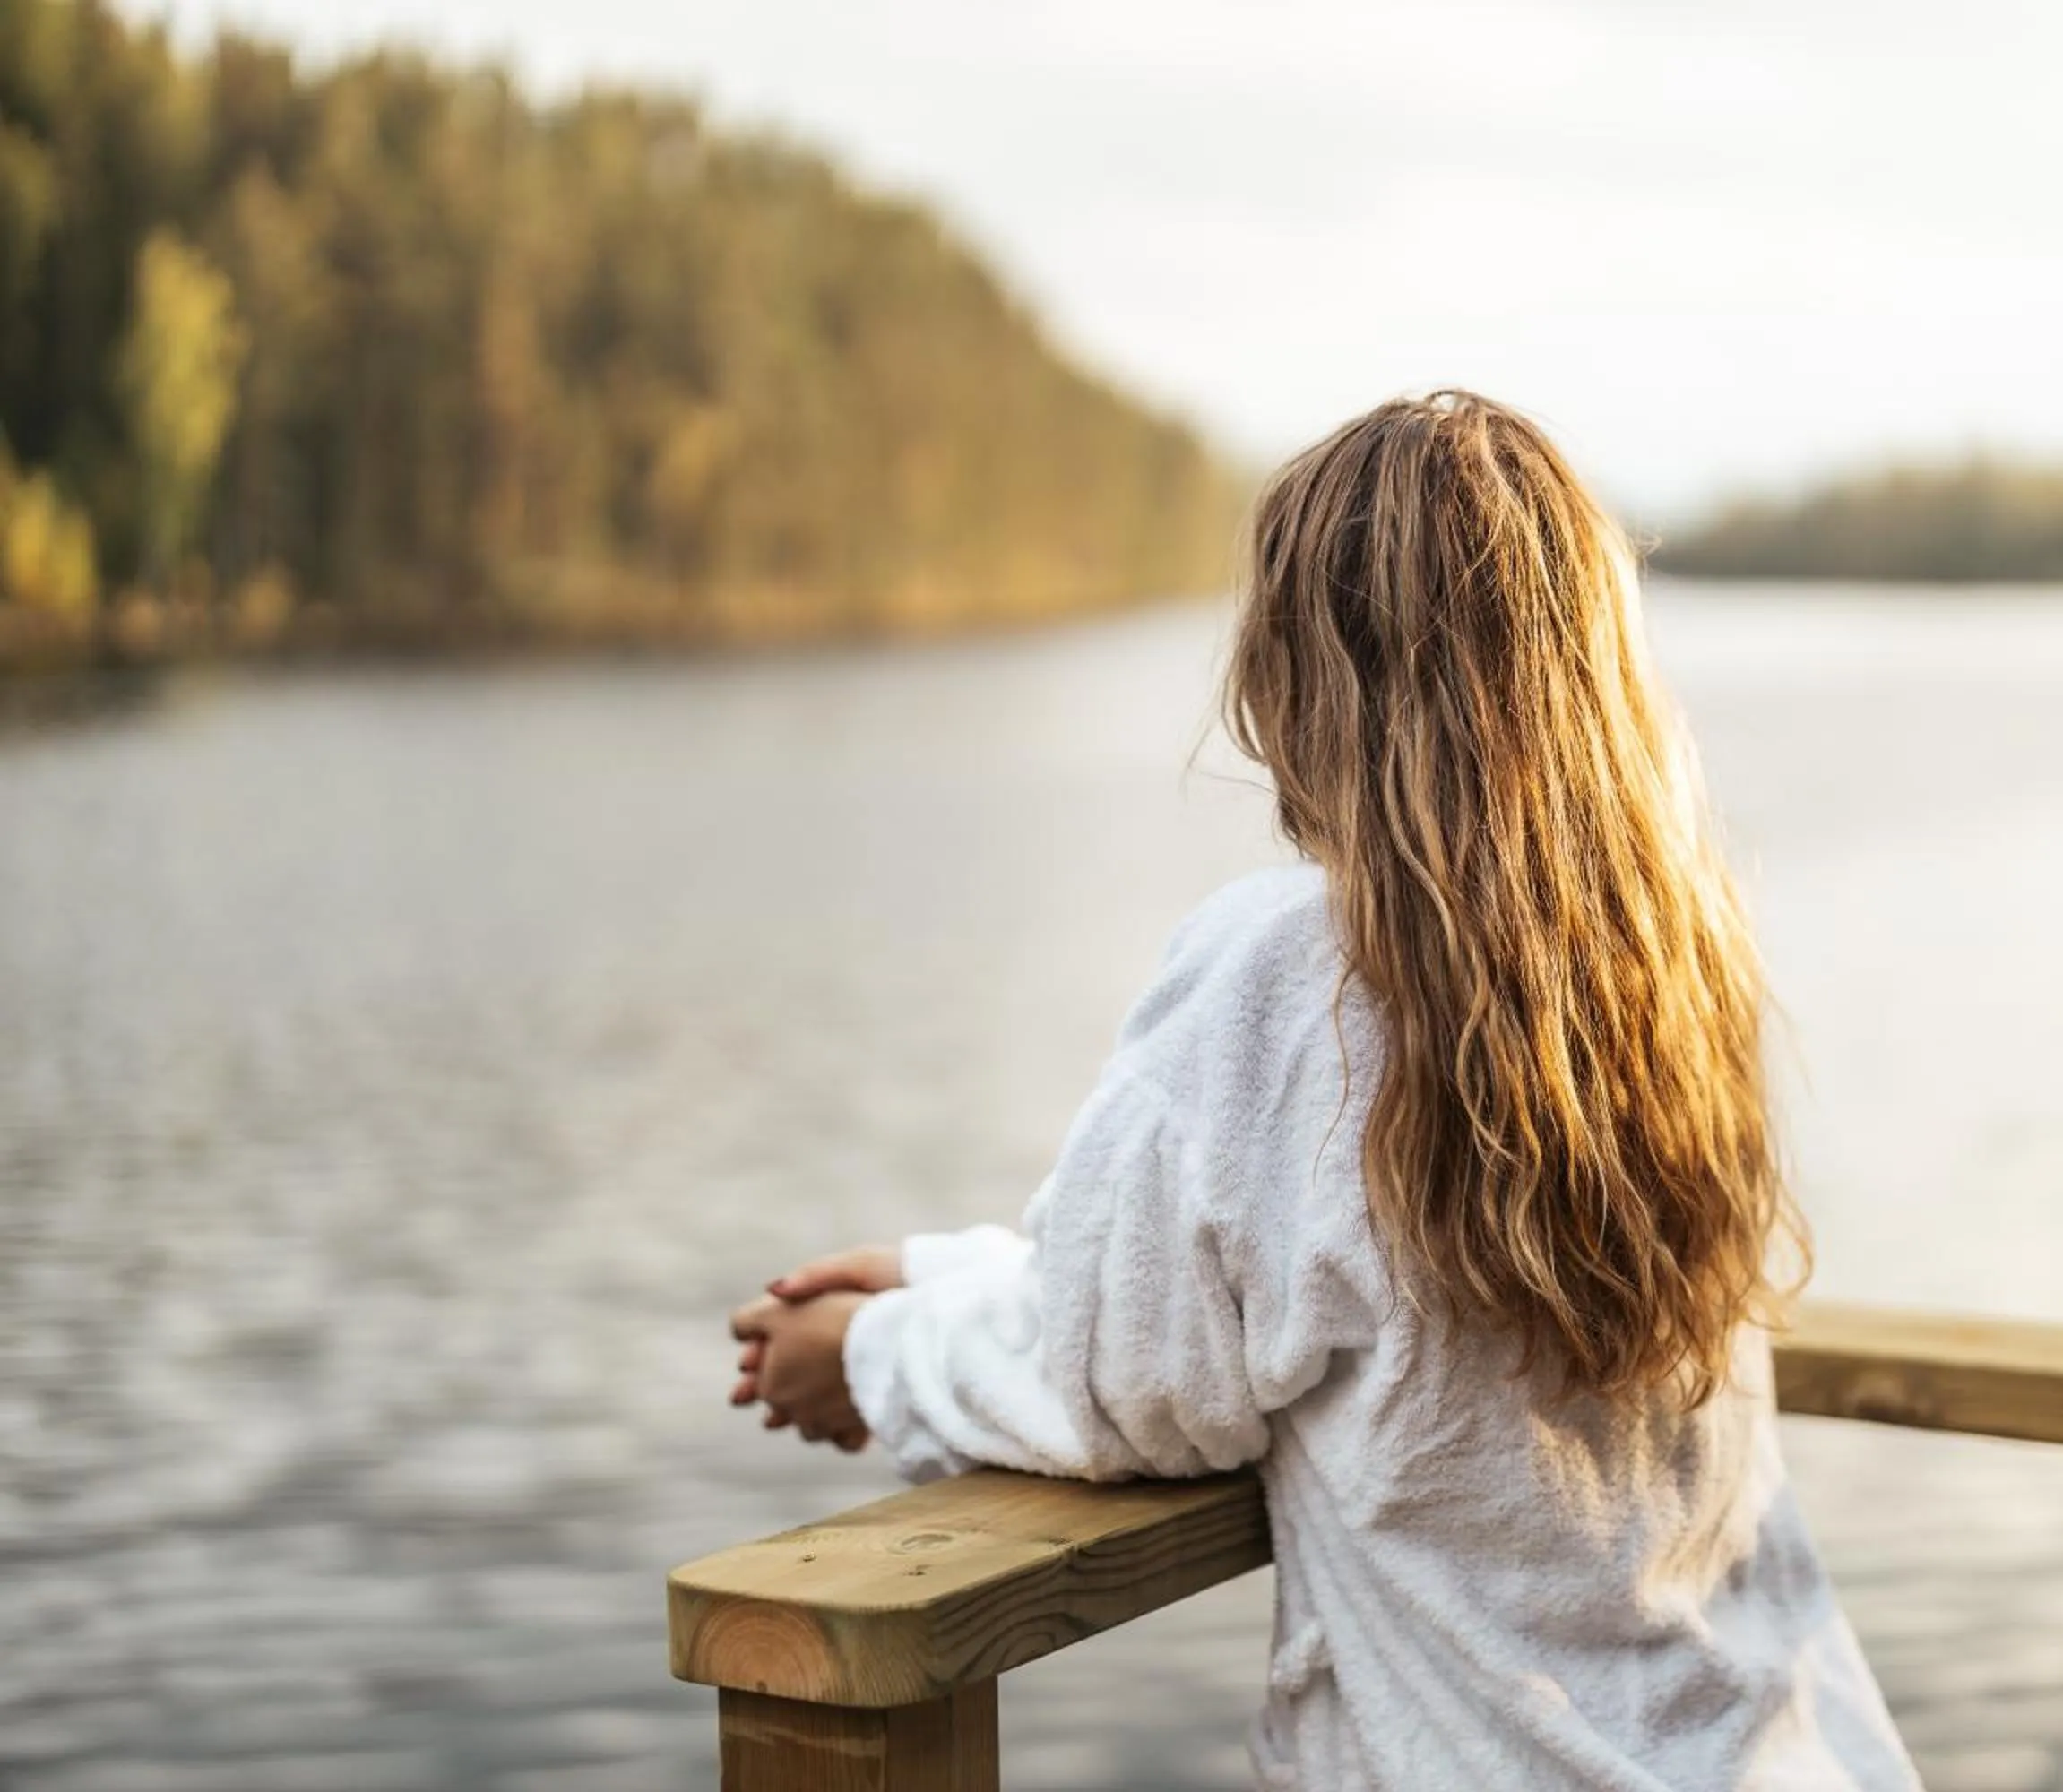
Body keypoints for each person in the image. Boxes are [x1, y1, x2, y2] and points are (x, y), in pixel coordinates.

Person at [725, 392, 1921, 1790]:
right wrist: (954, 1270)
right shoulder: (1663, 975)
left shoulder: (1288, 976)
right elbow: (1290, 1308)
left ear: (1300, 674)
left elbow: (1131, 1389)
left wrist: (877, 1355)